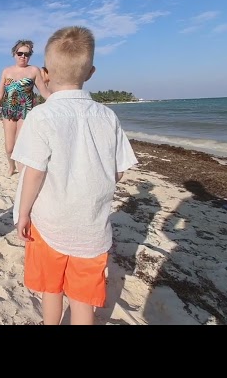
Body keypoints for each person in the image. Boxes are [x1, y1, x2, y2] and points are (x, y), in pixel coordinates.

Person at [11, 26, 138, 325]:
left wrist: (24, 213)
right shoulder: (107, 115)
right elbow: (117, 170)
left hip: (49, 223)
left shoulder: (40, 116)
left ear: (44, 73)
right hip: (91, 228)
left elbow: (34, 174)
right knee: (83, 300)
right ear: (91, 72)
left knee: (51, 290)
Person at [0, 39, 50, 176]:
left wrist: (59, 101)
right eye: (20, 53)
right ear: (14, 53)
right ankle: (11, 166)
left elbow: (44, 91)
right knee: (9, 147)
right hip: (8, 111)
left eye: (27, 54)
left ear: (30, 55)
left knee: (20, 144)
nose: (23, 57)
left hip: (25, 111)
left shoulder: (34, 70)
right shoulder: (6, 71)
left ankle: (22, 171)